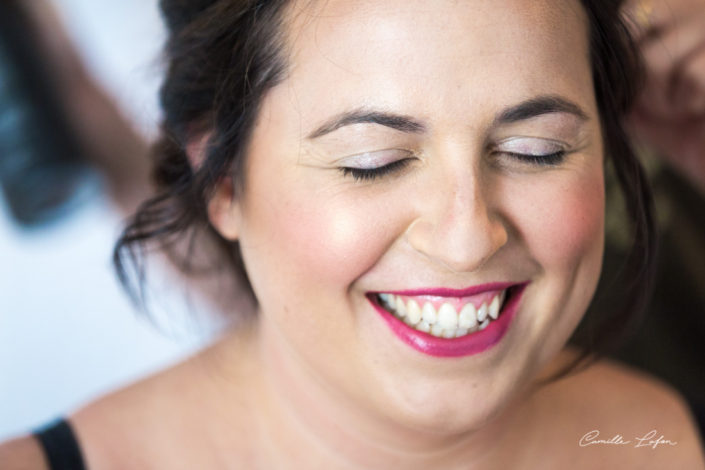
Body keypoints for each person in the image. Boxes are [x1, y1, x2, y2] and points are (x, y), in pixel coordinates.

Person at [2, 0, 705, 468]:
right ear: (222, 181)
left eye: (535, 150)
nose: (466, 239)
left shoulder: (669, 437)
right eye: (375, 162)